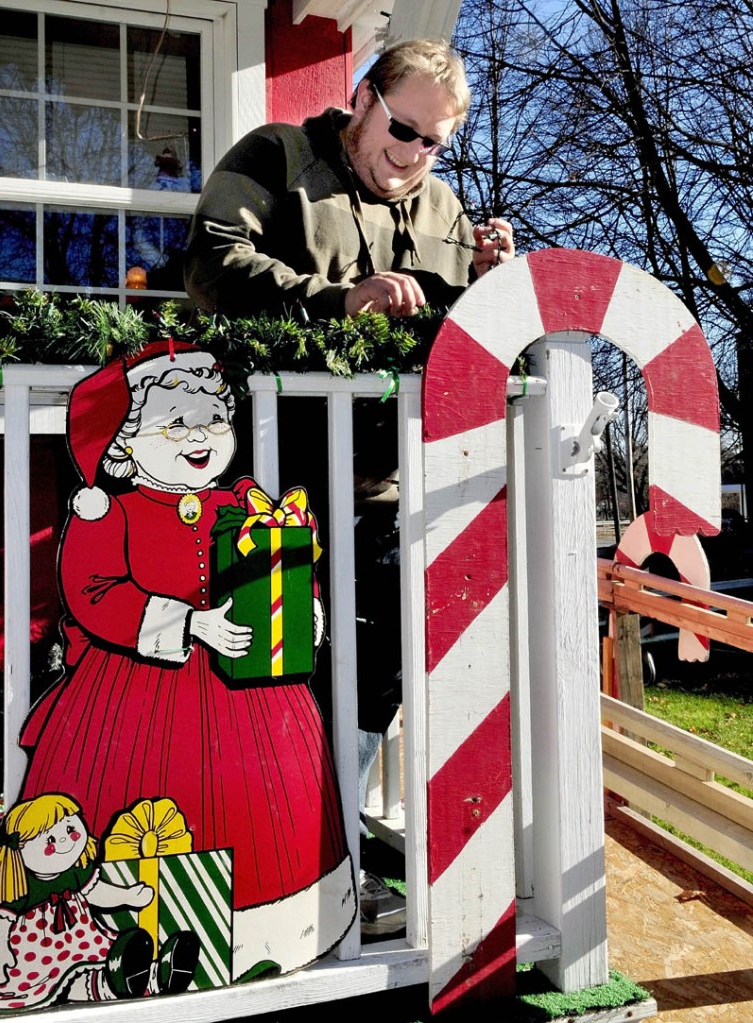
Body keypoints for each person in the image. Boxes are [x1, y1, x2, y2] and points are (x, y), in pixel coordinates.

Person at [184, 38, 515, 932]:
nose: (415, 156)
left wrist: (487, 286)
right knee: (270, 667)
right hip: (270, 486)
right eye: (403, 130)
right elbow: (209, 262)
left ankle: (329, 855)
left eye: (435, 143)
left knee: (373, 677)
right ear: (364, 99)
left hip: (383, 490)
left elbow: (457, 341)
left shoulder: (444, 208)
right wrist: (338, 301)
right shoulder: (277, 155)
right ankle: (254, 866)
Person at [17, 341, 356, 981]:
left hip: (254, 691)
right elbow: (94, 592)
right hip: (131, 694)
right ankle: (118, 942)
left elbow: (281, 564)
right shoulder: (105, 514)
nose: (200, 436)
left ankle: (273, 928)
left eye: (213, 420)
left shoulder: (247, 508)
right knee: (133, 803)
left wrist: (299, 607)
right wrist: (191, 623)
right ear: (124, 444)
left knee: (271, 810)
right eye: (176, 424)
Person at [0, 792, 199, 1008]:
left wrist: (127, 896)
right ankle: (114, 985)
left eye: (70, 829)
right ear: (18, 848)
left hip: (83, 940)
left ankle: (161, 974)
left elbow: (96, 892)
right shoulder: (17, 886)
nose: (65, 840)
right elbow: (2, 921)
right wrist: (2, 955)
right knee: (71, 980)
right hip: (39, 955)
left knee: (105, 960)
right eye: (50, 840)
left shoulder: (75, 872)